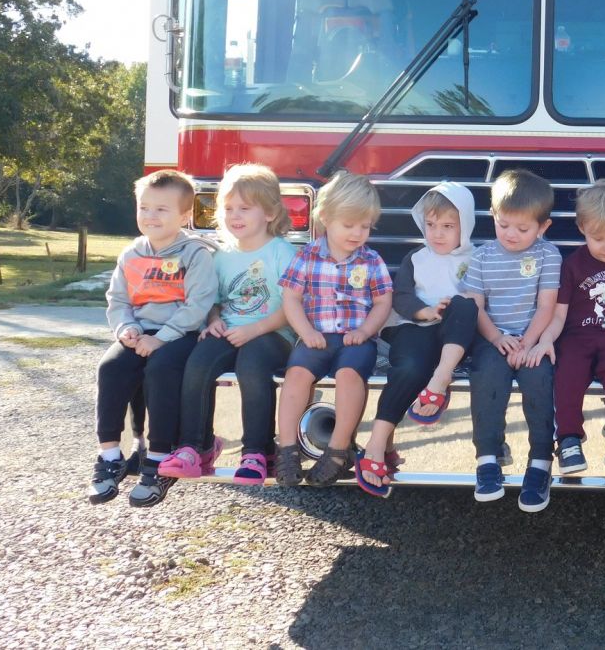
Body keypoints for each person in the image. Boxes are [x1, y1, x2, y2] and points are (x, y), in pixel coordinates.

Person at [157, 164, 297, 487]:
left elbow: (292, 309)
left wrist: (255, 330)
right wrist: (214, 320)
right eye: (229, 208)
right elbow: (214, 299)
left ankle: (257, 453)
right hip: (231, 330)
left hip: (274, 334)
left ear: (270, 213)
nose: (235, 215)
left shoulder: (283, 253)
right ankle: (195, 447)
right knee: (199, 359)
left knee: (252, 364)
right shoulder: (221, 257)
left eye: (245, 209)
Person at [90, 170, 218, 507]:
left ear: (185, 216)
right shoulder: (131, 254)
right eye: (144, 207)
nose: (150, 216)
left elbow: (199, 304)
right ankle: (110, 456)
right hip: (139, 332)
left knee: (160, 371)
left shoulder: (196, 254)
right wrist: (125, 329)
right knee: (111, 368)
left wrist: (161, 338)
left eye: (162, 209)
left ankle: (160, 457)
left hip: (181, 334)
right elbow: (118, 300)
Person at [355, 182, 478, 498]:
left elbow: (483, 298)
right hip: (418, 325)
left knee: (465, 305)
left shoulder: (477, 258)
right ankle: (377, 443)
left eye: (448, 226)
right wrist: (425, 312)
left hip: (459, 335)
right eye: (431, 225)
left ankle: (439, 380)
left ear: (466, 225)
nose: (437, 233)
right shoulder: (416, 257)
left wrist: (456, 303)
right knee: (409, 365)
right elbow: (402, 296)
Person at [272, 171, 393, 487]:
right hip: (316, 336)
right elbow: (292, 297)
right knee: (296, 375)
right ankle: (286, 449)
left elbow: (383, 301)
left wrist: (366, 331)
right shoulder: (308, 255)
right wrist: (305, 331)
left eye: (365, 226)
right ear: (325, 218)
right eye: (349, 225)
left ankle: (338, 450)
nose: (357, 233)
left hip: (356, 340)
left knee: (349, 376)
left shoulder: (371, 260)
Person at [460, 168, 561, 512]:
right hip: (493, 338)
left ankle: (541, 464)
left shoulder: (549, 255)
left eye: (522, 228)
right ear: (493, 216)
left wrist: (529, 343)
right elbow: (475, 305)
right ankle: (487, 459)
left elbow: (547, 306)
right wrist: (498, 337)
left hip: (532, 340)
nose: (511, 235)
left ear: (543, 227)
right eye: (503, 225)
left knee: (539, 379)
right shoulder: (481, 256)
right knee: (486, 378)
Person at [535, 180, 605, 473]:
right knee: (567, 376)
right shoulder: (572, 266)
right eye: (598, 238)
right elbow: (558, 314)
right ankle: (568, 439)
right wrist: (546, 340)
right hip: (576, 337)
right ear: (582, 228)